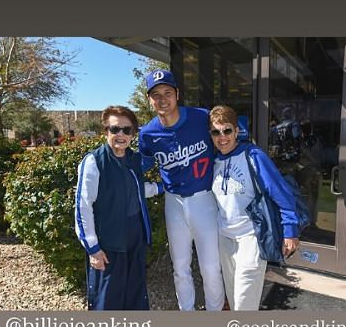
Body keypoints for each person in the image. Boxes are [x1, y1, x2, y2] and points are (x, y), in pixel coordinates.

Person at [138, 69, 225, 312]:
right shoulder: (147, 133)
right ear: (149, 100)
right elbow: (141, 165)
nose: (162, 99)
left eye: (167, 92)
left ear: (177, 94)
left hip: (204, 199)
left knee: (210, 267)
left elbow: (228, 140)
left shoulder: (202, 118)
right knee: (180, 266)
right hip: (173, 202)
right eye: (156, 94)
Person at [208, 105, 301, 311]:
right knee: (234, 300)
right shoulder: (214, 161)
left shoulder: (253, 156)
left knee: (244, 303)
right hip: (224, 239)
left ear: (236, 131)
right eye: (216, 132)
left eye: (227, 130)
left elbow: (281, 193)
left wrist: (290, 230)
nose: (222, 137)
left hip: (251, 238)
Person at [74, 106, 159, 310]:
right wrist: (93, 248)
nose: (120, 134)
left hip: (135, 237)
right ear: (106, 132)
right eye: (114, 129)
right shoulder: (94, 161)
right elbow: (83, 206)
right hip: (109, 241)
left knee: (135, 295)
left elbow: (135, 189)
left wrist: (161, 187)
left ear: (133, 134)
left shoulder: (133, 159)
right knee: (108, 299)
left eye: (126, 130)